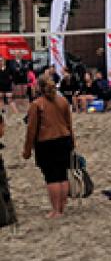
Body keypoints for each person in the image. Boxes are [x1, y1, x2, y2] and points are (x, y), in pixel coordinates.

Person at [23, 74, 75, 218]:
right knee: (63, 175)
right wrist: (73, 141)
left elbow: (31, 129)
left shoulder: (37, 104)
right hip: (64, 139)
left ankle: (55, 210)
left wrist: (27, 150)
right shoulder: (63, 101)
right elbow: (69, 124)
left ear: (39, 87)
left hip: (46, 142)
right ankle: (62, 208)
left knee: (51, 177)